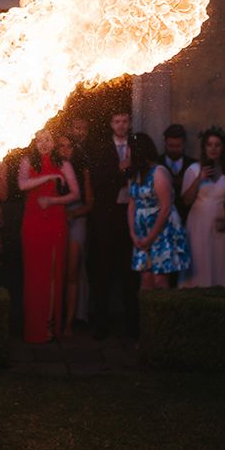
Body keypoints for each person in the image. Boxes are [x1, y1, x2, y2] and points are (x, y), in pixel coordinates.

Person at [18, 128, 79, 343]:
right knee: (35, 274)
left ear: (53, 142)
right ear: (33, 143)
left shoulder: (64, 164)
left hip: (55, 220)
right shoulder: (27, 161)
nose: (43, 144)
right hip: (33, 221)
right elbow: (22, 184)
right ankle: (35, 326)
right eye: (39, 140)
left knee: (53, 272)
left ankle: (50, 325)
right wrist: (49, 177)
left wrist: (53, 201)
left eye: (47, 139)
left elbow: (75, 193)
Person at [127, 133, 190, 316]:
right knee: (145, 281)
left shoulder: (159, 173)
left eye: (130, 149)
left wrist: (151, 237)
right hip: (141, 233)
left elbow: (165, 208)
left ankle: (164, 328)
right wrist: (133, 233)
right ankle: (147, 330)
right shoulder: (135, 174)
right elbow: (131, 204)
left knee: (160, 280)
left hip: (161, 232)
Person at [87, 110, 136, 340]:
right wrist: (119, 170)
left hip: (131, 214)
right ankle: (101, 326)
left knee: (130, 273)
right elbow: (97, 180)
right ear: (110, 123)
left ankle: (131, 326)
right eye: (117, 121)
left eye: (125, 121)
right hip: (107, 217)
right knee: (103, 271)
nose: (121, 125)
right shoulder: (100, 148)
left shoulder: (137, 144)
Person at [179, 126, 225, 288]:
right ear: (204, 148)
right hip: (198, 225)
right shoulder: (193, 170)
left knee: (218, 265)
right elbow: (186, 201)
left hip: (220, 228)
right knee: (199, 264)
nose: (213, 148)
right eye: (209, 145)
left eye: (217, 145)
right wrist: (199, 179)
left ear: (223, 148)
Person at [57, 130, 94, 336]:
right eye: (61, 146)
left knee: (72, 271)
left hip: (76, 220)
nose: (65, 150)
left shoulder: (82, 170)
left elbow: (89, 204)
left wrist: (72, 213)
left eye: (68, 146)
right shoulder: (54, 167)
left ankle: (70, 321)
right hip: (55, 221)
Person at [159, 123, 196, 224]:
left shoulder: (194, 165)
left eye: (178, 146)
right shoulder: (156, 163)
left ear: (184, 144)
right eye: (171, 146)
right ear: (164, 143)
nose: (174, 149)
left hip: (188, 220)